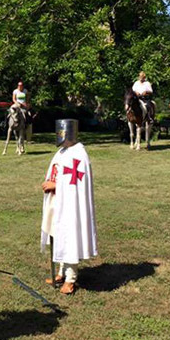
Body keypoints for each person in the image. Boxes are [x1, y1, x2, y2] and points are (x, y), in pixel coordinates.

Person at [40, 119, 97, 295]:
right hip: (57, 202)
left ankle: (71, 279)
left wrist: (55, 185)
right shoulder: (62, 152)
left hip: (71, 204)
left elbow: (75, 184)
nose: (59, 135)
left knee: (69, 235)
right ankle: (61, 273)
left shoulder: (79, 154)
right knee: (58, 235)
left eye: (62, 132)